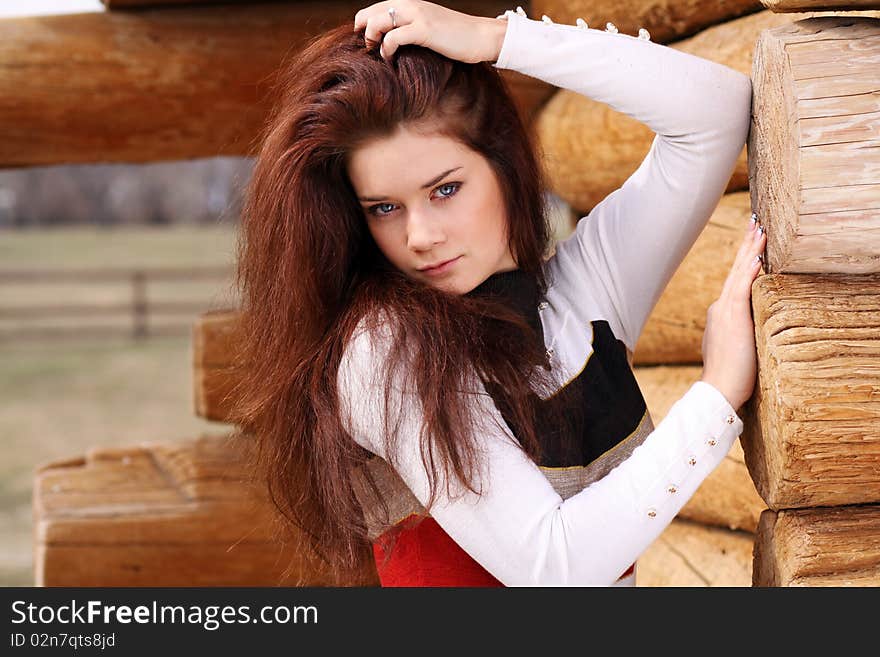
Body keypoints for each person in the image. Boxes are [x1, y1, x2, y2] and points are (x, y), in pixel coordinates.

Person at [231, 0, 764, 587]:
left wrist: (499, 40)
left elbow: (713, 111)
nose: (420, 237)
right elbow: (555, 568)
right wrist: (716, 396)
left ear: (504, 164)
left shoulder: (582, 296)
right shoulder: (382, 351)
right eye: (385, 208)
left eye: (446, 189)